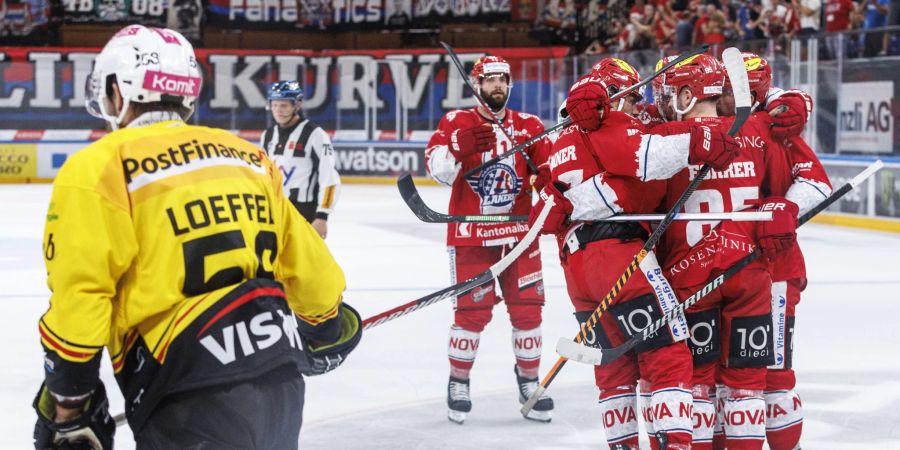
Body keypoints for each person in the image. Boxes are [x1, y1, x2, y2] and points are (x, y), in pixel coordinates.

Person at [32, 25, 361, 450]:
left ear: (118, 90)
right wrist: (325, 325)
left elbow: (82, 293)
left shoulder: (100, 166)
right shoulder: (248, 157)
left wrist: (69, 401)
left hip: (184, 393)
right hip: (279, 380)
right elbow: (308, 265)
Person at [534, 57, 739, 450]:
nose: (638, 105)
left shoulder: (561, 141)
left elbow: (543, 213)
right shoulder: (611, 124)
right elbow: (650, 157)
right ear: (612, 96)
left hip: (577, 273)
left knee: (615, 369)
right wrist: (699, 141)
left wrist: (575, 202)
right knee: (667, 352)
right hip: (619, 259)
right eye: (632, 97)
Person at [650, 52, 798, 450]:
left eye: (667, 92)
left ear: (687, 94)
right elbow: (794, 183)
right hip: (749, 274)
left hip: (688, 278)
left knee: (697, 384)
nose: (659, 100)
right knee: (747, 385)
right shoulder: (758, 128)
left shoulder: (665, 138)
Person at [424, 55, 553, 424]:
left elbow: (551, 170)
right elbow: (437, 170)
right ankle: (458, 381)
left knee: (528, 311)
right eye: (490, 80)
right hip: (471, 236)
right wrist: (457, 151)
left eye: (503, 80)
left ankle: (529, 381)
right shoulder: (455, 122)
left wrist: (544, 175)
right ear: (477, 85)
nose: (497, 86)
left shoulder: (529, 125)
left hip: (519, 237)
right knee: (471, 314)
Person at [718, 52, 833, 450]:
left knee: (772, 371)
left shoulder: (776, 128)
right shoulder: (703, 124)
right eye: (726, 88)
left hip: (772, 268)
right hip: (713, 266)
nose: (728, 98)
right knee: (717, 373)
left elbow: (817, 183)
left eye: (742, 91)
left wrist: (786, 206)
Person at [261, 80, 341, 239]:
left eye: (283, 105)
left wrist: (322, 216)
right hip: (275, 209)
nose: (278, 110)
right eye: (275, 105)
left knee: (304, 262)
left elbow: (329, 177)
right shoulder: (268, 135)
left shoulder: (315, 134)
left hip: (305, 213)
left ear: (296, 105)